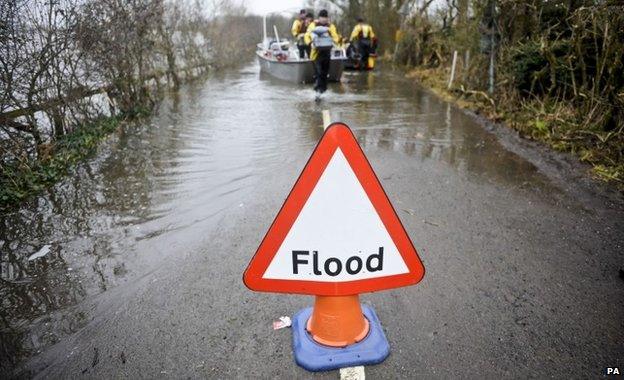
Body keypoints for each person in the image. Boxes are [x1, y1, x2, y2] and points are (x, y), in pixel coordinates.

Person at [305, 9, 340, 94]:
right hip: (316, 54)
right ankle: (317, 91)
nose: (324, 19)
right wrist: (310, 43)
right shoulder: (313, 25)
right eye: (322, 17)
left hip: (327, 53)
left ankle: (323, 90)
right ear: (319, 17)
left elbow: (336, 37)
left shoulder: (331, 26)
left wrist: (335, 41)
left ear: (327, 18)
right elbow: (307, 35)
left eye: (325, 17)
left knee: (325, 73)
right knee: (319, 72)